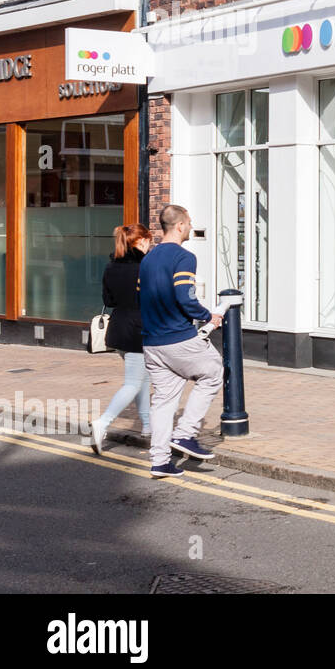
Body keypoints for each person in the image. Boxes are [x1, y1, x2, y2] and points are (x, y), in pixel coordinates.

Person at [139, 204, 223, 478]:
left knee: (163, 402)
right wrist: (207, 315)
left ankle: (160, 461)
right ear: (179, 225)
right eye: (188, 222)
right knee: (213, 373)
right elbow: (185, 296)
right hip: (178, 338)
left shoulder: (148, 259)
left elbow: (141, 297)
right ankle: (185, 434)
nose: (190, 226)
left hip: (152, 342)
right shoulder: (183, 257)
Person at [88, 224, 154, 454]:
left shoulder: (111, 266)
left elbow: (109, 299)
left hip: (118, 328)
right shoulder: (144, 267)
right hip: (137, 329)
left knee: (142, 380)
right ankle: (102, 424)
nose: (150, 246)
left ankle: (148, 427)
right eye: (149, 241)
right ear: (141, 241)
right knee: (134, 383)